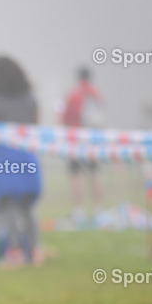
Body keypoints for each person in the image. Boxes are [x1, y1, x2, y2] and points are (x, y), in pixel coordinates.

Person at [0, 56, 42, 267]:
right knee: (27, 208)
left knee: (6, 206)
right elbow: (36, 123)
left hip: (5, 158)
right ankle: (35, 252)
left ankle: (14, 251)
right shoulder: (29, 98)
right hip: (27, 155)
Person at [60, 67, 103, 223]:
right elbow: (100, 119)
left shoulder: (73, 94)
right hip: (92, 139)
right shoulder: (95, 94)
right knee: (94, 173)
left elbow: (65, 118)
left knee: (75, 175)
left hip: (75, 139)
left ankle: (79, 210)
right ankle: (99, 208)